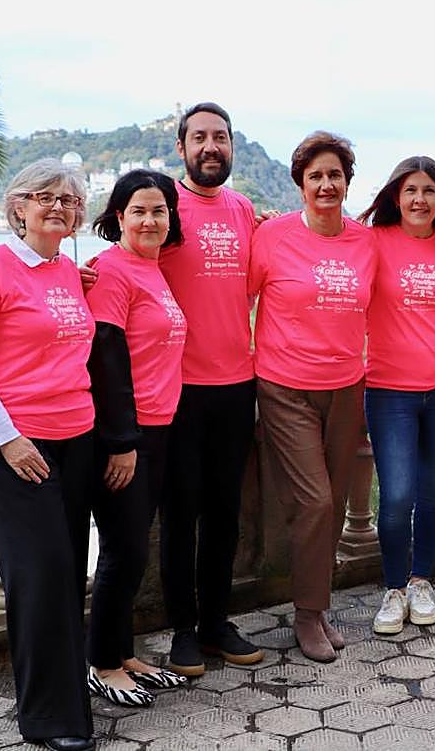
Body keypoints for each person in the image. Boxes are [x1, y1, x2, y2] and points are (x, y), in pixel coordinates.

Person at [0, 159, 96, 751]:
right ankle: (48, 718)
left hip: (75, 437)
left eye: (68, 200)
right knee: (39, 578)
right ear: (18, 208)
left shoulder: (63, 272)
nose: (57, 206)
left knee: (66, 575)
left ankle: (72, 702)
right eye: (43, 197)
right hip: (17, 443)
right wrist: (7, 438)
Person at [250, 131, 375, 661]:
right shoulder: (272, 236)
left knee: (339, 500)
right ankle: (305, 614)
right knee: (315, 499)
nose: (326, 184)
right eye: (316, 176)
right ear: (300, 183)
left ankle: (319, 607)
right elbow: (235, 296)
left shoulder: (367, 240)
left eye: (335, 175)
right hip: (285, 386)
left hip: (347, 385)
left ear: (348, 182)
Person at [156, 103, 264, 673]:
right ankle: (181, 630)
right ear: (182, 148)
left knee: (225, 512)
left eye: (220, 137)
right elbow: (127, 257)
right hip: (178, 388)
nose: (210, 146)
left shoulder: (244, 210)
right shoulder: (163, 206)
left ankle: (217, 621)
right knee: (181, 514)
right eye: (199, 137)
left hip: (235, 383)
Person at [83, 169, 188, 705]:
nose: (151, 220)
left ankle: (123, 653)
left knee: (133, 550)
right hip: (128, 435)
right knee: (122, 553)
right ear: (119, 216)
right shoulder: (112, 271)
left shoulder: (151, 268)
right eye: (139, 210)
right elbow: (106, 360)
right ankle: (101, 663)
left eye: (160, 211)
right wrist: (122, 440)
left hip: (159, 426)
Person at [358, 157, 435, 635]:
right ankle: (393, 589)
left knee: (432, 490)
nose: (419, 199)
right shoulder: (372, 242)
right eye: (410, 190)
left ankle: (422, 581)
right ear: (395, 196)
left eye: (429, 190)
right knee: (397, 493)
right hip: (388, 388)